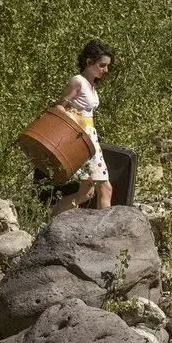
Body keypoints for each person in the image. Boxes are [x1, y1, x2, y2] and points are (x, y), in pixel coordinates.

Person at [52, 40, 114, 215]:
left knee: (86, 193)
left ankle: (52, 217)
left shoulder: (91, 85)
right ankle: (105, 229)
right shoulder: (78, 81)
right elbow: (59, 108)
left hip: (90, 139)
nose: (105, 70)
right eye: (102, 65)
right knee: (105, 188)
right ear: (89, 62)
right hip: (82, 139)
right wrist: (75, 125)